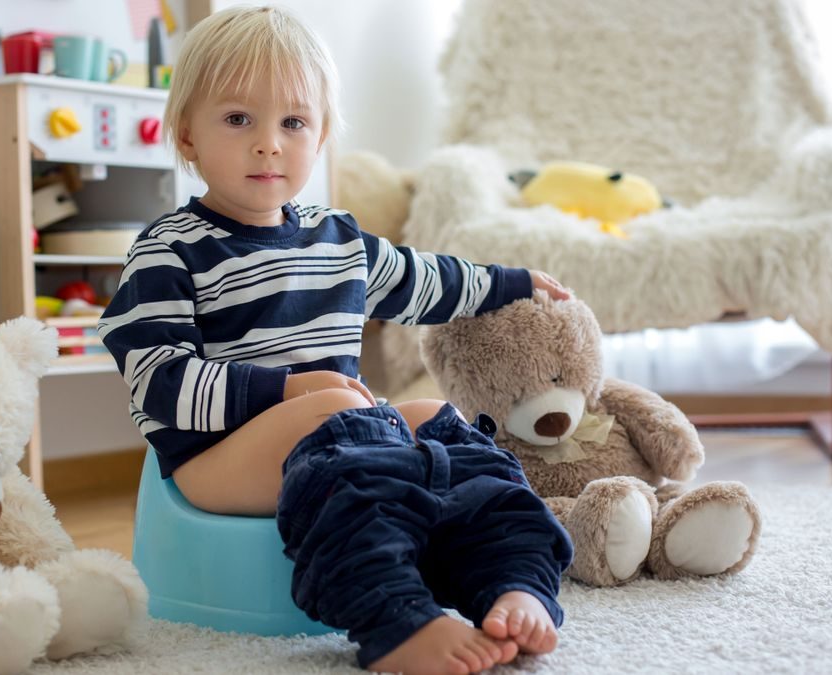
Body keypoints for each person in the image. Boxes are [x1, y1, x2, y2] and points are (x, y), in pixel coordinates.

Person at [98, 6, 573, 673]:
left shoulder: (337, 239)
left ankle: (513, 574)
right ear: (186, 136)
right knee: (343, 412)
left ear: (319, 136)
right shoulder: (168, 250)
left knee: (444, 425)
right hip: (216, 461)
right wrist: (291, 389)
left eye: (293, 122)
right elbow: (160, 383)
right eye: (238, 119)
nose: (269, 143)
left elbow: (425, 279)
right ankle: (396, 617)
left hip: (343, 436)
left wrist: (513, 283)